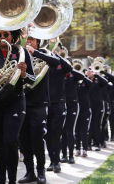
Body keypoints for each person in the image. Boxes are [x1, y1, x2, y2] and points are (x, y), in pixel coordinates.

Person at [0, 28, 35, 184]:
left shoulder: (22, 54)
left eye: (6, 34)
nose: (2, 38)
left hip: (15, 102)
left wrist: (23, 74)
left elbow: (32, 80)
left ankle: (12, 181)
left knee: (10, 141)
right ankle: (1, 181)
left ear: (13, 36)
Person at [19, 37, 59, 184]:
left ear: (38, 42)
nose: (28, 41)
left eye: (31, 39)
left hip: (39, 103)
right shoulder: (19, 54)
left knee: (37, 136)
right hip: (21, 101)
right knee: (23, 140)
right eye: (26, 39)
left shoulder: (43, 54)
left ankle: (41, 171)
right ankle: (30, 172)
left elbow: (56, 62)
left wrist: (35, 52)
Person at [46, 44, 72, 173]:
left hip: (59, 103)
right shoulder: (45, 61)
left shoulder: (62, 64)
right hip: (46, 103)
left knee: (56, 134)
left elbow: (70, 68)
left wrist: (57, 55)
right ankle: (52, 161)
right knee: (48, 135)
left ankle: (56, 162)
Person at [60, 57, 85, 164]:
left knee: (70, 131)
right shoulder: (59, 73)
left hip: (73, 105)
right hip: (61, 104)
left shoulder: (73, 74)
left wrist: (70, 68)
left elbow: (82, 76)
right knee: (62, 131)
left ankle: (71, 156)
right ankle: (64, 155)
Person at [75, 69, 93, 157]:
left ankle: (85, 149)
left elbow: (90, 84)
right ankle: (77, 149)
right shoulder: (74, 80)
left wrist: (85, 76)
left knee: (84, 131)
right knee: (77, 130)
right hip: (76, 108)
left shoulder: (86, 81)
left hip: (85, 109)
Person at [88, 70, 108, 151]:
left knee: (96, 125)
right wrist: (87, 76)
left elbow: (105, 82)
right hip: (88, 105)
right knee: (89, 125)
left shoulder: (98, 80)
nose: (91, 73)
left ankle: (97, 144)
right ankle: (88, 144)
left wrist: (96, 75)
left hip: (98, 105)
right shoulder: (85, 79)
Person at [101, 69, 114, 142]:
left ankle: (113, 135)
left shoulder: (113, 80)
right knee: (104, 121)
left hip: (112, 102)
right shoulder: (103, 79)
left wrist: (105, 73)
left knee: (111, 120)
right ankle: (105, 136)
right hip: (104, 101)